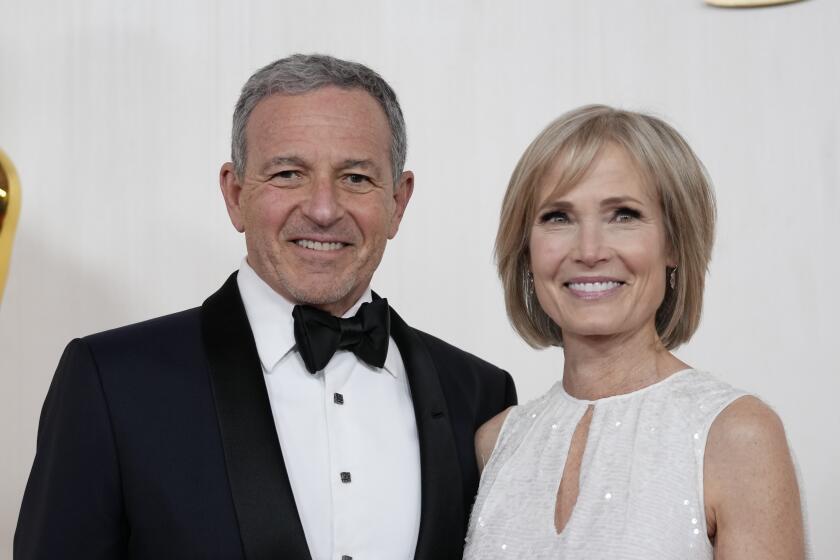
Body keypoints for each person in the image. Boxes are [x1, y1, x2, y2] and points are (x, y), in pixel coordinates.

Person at [15, 54, 516, 560]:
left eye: (356, 178)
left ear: (398, 202)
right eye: (288, 174)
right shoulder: (112, 383)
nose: (323, 209)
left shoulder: (480, 398)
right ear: (235, 194)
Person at [464, 105, 808, 559]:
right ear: (526, 252)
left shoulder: (736, 436)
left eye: (623, 215)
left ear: (674, 244)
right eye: (558, 217)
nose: (589, 251)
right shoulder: (495, 443)